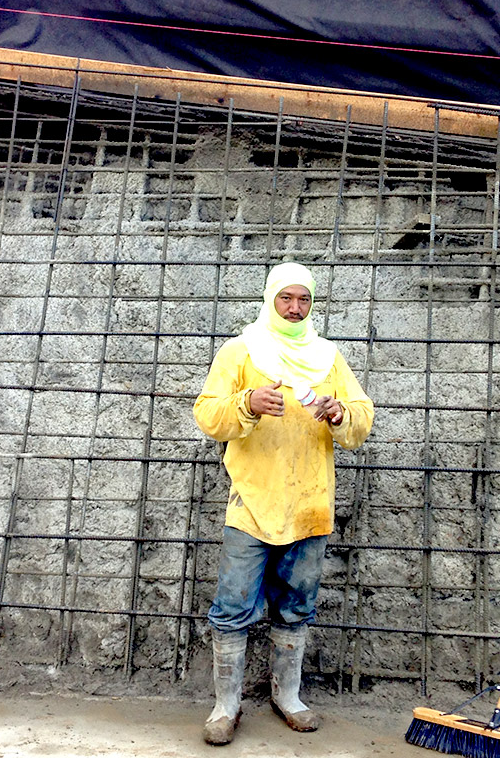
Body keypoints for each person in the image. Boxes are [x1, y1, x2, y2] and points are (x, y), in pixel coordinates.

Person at [192, 262, 374, 746]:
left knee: (297, 606)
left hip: (310, 501)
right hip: (251, 500)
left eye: (304, 300)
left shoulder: (327, 356)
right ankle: (225, 705)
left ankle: (286, 697)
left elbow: (361, 417)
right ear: (270, 299)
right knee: (233, 604)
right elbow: (207, 412)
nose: (295, 308)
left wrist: (339, 413)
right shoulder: (242, 350)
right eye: (286, 298)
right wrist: (248, 403)